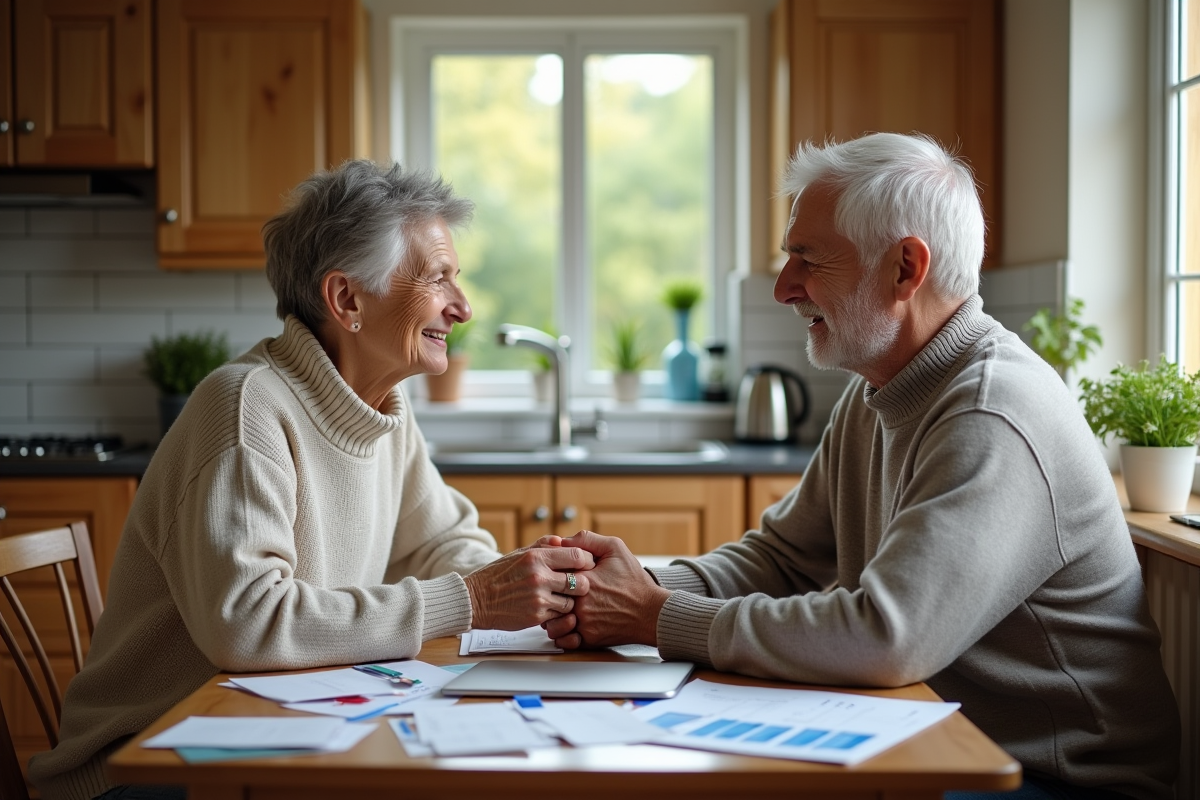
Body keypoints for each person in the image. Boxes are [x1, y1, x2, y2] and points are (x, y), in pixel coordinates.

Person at [543, 133, 1180, 800]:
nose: (786, 288)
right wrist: (626, 585)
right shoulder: (878, 388)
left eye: (808, 260)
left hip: (1059, 779)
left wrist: (652, 617)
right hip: (943, 742)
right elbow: (782, 560)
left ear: (905, 268)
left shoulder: (993, 412)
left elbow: (886, 638)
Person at [31, 161, 593, 800]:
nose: (462, 307)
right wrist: (472, 599)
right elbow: (249, 621)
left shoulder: (383, 410)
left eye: (455, 280)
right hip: (150, 761)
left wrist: (533, 594)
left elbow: (442, 543)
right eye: (438, 279)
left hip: (278, 732)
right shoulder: (247, 407)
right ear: (347, 300)